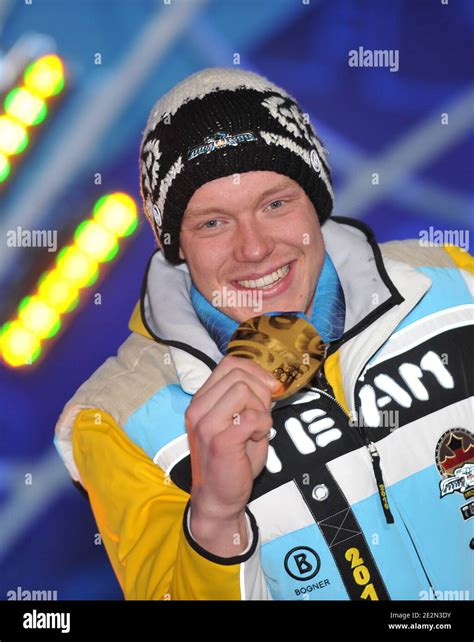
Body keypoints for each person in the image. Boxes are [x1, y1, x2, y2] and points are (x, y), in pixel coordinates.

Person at [54, 67, 473, 600]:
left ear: (316, 202)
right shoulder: (114, 418)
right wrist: (214, 517)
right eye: (212, 222)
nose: (254, 249)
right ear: (174, 243)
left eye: (275, 204)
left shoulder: (453, 285)